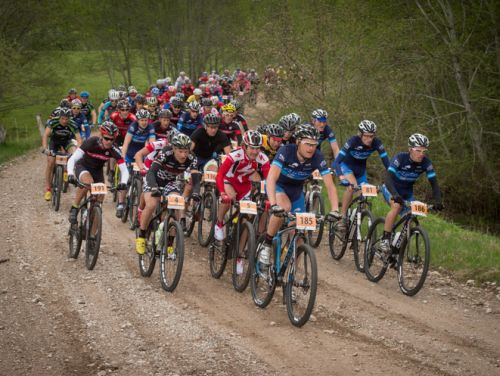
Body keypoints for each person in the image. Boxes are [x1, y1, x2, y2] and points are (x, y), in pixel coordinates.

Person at [259, 124, 341, 267]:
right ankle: (266, 244)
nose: (311, 148)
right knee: (284, 207)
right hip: (279, 187)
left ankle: (290, 275)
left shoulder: (317, 157)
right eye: (308, 144)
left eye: (314, 145)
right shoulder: (285, 151)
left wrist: (335, 209)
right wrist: (273, 204)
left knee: (298, 236)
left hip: (296, 192)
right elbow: (271, 178)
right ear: (298, 142)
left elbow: (330, 185)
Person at [377, 133, 443, 254]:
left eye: (424, 151)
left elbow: (434, 184)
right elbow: (388, 178)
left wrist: (438, 201)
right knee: (396, 206)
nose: (421, 154)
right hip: (391, 188)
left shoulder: (426, 163)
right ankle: (385, 239)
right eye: (418, 150)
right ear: (410, 149)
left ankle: (397, 247)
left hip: (407, 193)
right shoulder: (400, 158)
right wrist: (395, 195)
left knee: (411, 218)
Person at [135, 133, 200, 254]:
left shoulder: (192, 157)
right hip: (155, 179)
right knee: (152, 204)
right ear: (174, 149)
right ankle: (141, 236)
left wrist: (196, 193)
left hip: (170, 182)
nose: (184, 155)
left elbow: (196, 178)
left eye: (186, 151)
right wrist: (154, 188)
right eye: (180, 151)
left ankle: (170, 242)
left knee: (177, 204)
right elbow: (151, 172)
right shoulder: (166, 153)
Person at [332, 120, 390, 234]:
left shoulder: (377, 143)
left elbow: (387, 163)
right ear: (360, 134)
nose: (369, 139)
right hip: (346, 167)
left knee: (363, 197)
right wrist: (341, 177)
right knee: (352, 187)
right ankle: (342, 218)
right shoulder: (353, 141)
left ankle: (356, 220)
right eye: (367, 136)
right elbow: (336, 162)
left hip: (361, 170)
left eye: (372, 136)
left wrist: (393, 178)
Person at [66, 121, 129, 223]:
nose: (109, 141)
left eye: (111, 139)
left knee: (99, 202)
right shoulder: (91, 142)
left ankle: (93, 235)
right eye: (106, 138)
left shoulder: (115, 150)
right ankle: (74, 207)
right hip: (83, 166)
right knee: (88, 181)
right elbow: (73, 159)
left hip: (97, 171)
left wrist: (123, 183)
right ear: (101, 135)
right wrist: (70, 174)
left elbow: (124, 170)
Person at [214, 130, 270, 241]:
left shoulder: (263, 159)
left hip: (244, 185)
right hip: (229, 180)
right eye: (252, 148)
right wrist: (222, 193)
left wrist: (270, 198)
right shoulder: (235, 155)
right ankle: (219, 223)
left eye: (257, 148)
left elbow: (269, 180)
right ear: (244, 146)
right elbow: (220, 175)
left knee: (249, 215)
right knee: (229, 199)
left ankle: (239, 254)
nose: (255, 152)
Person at [41, 108, 81, 200]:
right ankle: (47, 189)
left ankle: (67, 169)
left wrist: (78, 152)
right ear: (59, 117)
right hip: (54, 142)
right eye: (62, 118)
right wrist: (44, 148)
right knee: (50, 163)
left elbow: (79, 139)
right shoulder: (53, 122)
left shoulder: (72, 124)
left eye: (66, 119)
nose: (64, 121)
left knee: (73, 152)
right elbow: (46, 135)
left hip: (66, 142)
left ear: (69, 118)